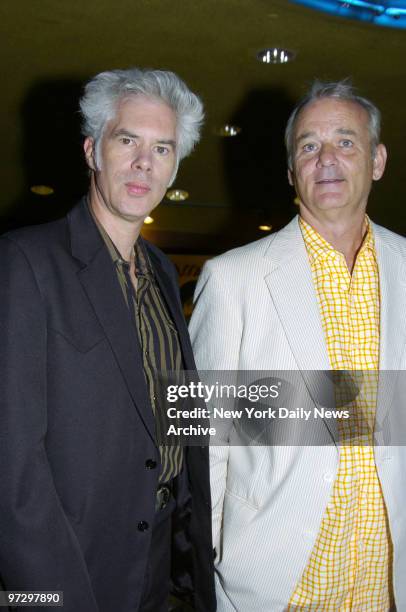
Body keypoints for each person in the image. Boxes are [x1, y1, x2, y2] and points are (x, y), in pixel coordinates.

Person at [0, 68, 215, 612]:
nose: (145, 162)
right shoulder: (25, 261)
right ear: (93, 150)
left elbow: (170, 413)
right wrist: (47, 598)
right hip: (66, 568)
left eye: (163, 148)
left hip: (159, 562)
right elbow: (11, 465)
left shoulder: (164, 271)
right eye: (128, 140)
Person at [189, 80, 406, 610]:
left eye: (345, 142)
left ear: (377, 161)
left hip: (387, 581)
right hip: (273, 583)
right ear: (292, 172)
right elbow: (199, 440)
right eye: (309, 146)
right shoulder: (233, 278)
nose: (326, 158)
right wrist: (208, 565)